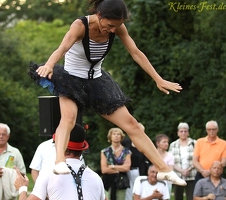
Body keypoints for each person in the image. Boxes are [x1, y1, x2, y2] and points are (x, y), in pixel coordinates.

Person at [28, 0, 186, 186]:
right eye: (110, 26)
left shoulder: (118, 28)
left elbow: (136, 52)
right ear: (100, 16)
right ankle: (59, 161)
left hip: (97, 83)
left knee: (133, 125)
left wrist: (158, 79)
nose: (113, 30)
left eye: (117, 26)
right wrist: (49, 64)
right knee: (68, 119)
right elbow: (61, 48)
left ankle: (163, 170)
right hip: (71, 80)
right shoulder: (80, 26)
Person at [15, 123, 106, 200]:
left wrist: (22, 188)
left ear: (60, 146)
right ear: (82, 149)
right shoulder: (96, 178)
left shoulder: (49, 174)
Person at [121, 123, 151, 200]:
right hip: (127, 170)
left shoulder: (146, 143)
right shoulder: (126, 142)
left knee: (140, 191)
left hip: (140, 171)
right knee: (128, 192)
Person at [169, 122, 197, 200]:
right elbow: (171, 161)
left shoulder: (194, 143)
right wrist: (181, 171)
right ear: (178, 133)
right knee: (178, 197)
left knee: (191, 197)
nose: (183, 133)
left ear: (188, 132)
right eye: (181, 131)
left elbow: (198, 159)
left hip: (191, 175)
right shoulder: (173, 145)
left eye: (185, 131)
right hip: (177, 175)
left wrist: (188, 169)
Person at [101, 127, 131, 200]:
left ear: (121, 137)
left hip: (121, 181)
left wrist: (112, 166)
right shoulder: (105, 152)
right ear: (110, 137)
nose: (116, 136)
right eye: (114, 134)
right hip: (108, 182)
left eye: (118, 134)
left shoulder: (127, 152)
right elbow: (104, 170)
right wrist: (119, 170)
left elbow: (127, 168)